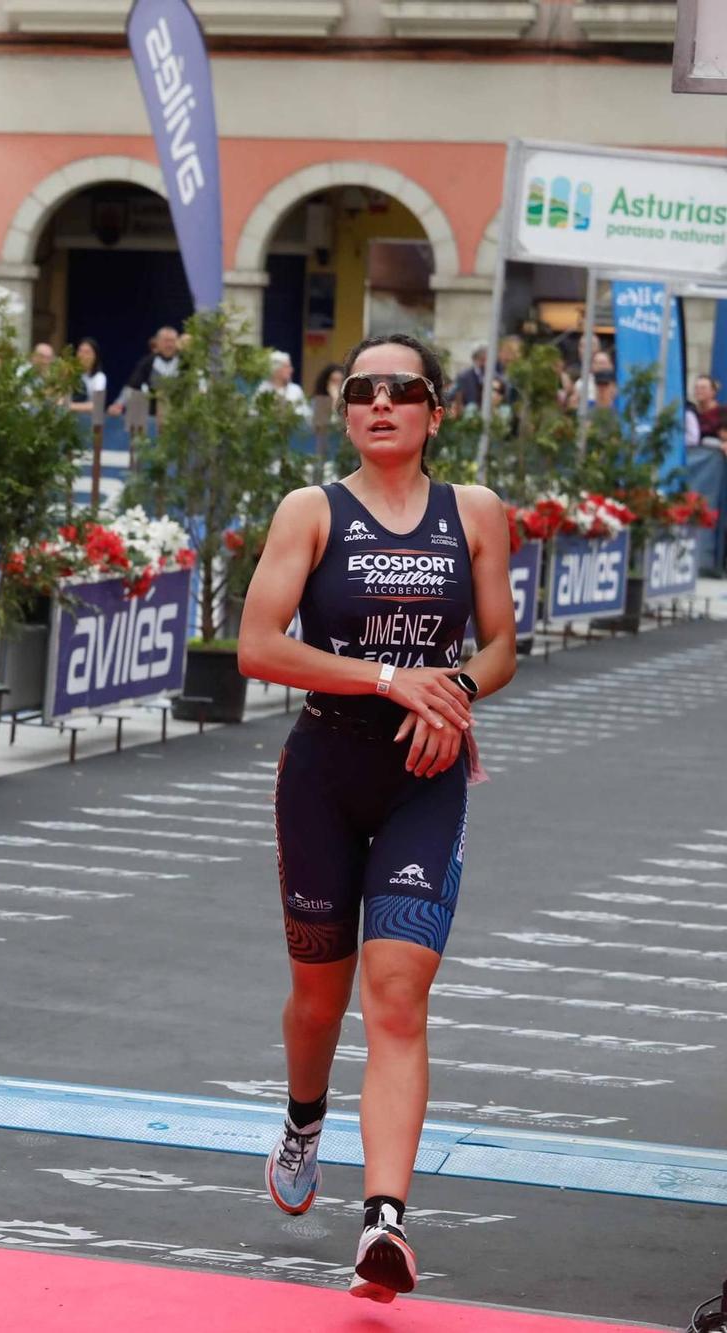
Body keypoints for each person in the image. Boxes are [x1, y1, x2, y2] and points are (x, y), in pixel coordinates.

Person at [238, 332, 515, 1305]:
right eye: (362, 389)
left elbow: (499, 648)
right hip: (321, 771)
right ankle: (302, 1116)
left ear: (436, 411)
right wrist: (390, 678)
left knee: (394, 993)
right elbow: (256, 646)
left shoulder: (473, 514)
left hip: (422, 777)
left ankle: (382, 1222)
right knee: (318, 996)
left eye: (403, 389)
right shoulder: (308, 511)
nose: (381, 402)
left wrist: (453, 698)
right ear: (342, 409)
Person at [687, 374, 725, 575]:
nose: (699, 391)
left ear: (713, 392)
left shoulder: (721, 413)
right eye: (697, 387)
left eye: (704, 387)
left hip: (713, 473)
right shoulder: (689, 412)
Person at [113, 325, 181, 416]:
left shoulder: (185, 362)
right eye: (166, 341)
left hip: (180, 417)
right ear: (158, 342)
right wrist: (118, 405)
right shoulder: (148, 362)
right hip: (152, 417)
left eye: (172, 341)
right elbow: (132, 386)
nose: (169, 345)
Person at [259, 350, 312, 422]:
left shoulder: (296, 390)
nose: (291, 370)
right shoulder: (262, 390)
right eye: (287, 367)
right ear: (276, 369)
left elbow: (306, 415)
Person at [68, 337, 106, 412]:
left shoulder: (99, 377)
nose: (82, 355)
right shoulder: (70, 373)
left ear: (95, 357)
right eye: (80, 351)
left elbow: (97, 405)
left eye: (87, 352)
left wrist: (69, 406)